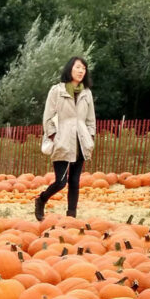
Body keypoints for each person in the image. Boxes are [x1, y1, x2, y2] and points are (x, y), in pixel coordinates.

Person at [34, 57, 96, 221]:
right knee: (61, 182)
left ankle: (71, 217)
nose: (81, 71)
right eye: (78, 67)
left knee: (75, 181)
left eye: (83, 68)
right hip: (63, 140)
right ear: (70, 69)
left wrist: (90, 137)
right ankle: (41, 200)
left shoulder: (86, 93)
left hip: (81, 141)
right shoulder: (57, 91)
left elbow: (91, 120)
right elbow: (48, 117)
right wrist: (54, 136)